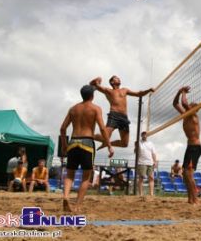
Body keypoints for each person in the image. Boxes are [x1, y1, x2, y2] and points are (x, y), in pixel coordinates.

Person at [60, 84, 113, 213]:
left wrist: (64, 146)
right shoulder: (95, 108)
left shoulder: (73, 109)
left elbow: (62, 128)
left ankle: (66, 197)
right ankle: (77, 205)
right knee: (85, 177)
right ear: (92, 96)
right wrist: (109, 145)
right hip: (87, 142)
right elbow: (102, 128)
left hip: (73, 142)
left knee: (70, 174)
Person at [90, 75, 154, 149]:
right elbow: (95, 85)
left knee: (124, 143)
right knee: (105, 137)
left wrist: (148, 90)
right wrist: (97, 82)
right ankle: (89, 135)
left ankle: (107, 143)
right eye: (116, 78)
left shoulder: (124, 90)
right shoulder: (109, 91)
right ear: (112, 82)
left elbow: (138, 94)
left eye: (118, 78)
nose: (119, 79)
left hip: (124, 118)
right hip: (114, 115)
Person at [173, 86, 201, 205]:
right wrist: (178, 92)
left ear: (194, 109)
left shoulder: (193, 116)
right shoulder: (186, 115)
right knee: (185, 174)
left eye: (191, 105)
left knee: (189, 174)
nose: (189, 104)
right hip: (189, 147)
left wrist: (183, 92)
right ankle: (190, 199)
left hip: (195, 148)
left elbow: (183, 102)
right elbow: (175, 103)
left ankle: (195, 199)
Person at [135, 131, 158, 196]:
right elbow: (135, 152)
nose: (144, 135)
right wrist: (136, 146)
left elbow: (153, 153)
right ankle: (141, 194)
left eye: (145, 134)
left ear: (147, 135)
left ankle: (151, 194)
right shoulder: (139, 143)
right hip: (142, 162)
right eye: (143, 134)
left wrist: (155, 161)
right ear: (141, 135)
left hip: (150, 162)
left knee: (151, 177)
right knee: (141, 178)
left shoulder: (151, 143)